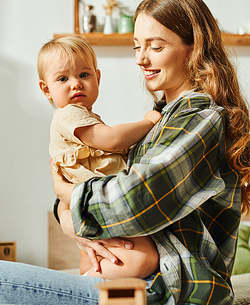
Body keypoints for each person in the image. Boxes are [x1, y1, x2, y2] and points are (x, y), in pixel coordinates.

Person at [0, 0, 250, 305]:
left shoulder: (200, 119)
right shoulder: (163, 120)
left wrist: (68, 194)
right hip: (139, 278)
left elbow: (134, 198)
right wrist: (65, 214)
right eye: (136, 47)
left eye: (155, 47)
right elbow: (106, 186)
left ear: (193, 50)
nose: (141, 59)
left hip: (166, 290)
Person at [38, 35, 161, 279]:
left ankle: (91, 276)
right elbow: (112, 139)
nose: (76, 84)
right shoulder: (69, 115)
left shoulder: (84, 118)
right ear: (46, 89)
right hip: (96, 208)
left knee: (110, 256)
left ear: (98, 78)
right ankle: (83, 286)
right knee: (143, 257)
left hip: (94, 208)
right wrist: (148, 122)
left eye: (84, 75)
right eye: (63, 78)